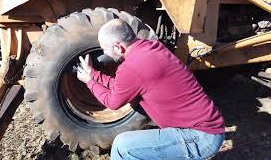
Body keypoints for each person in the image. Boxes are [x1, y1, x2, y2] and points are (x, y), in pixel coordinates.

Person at [76, 19, 225, 160]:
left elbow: (112, 102)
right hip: (206, 129)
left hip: (201, 137)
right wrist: (93, 74)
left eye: (104, 49)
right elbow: (122, 85)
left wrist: (89, 82)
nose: (103, 54)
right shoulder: (151, 47)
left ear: (118, 47)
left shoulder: (132, 67)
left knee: (123, 147)